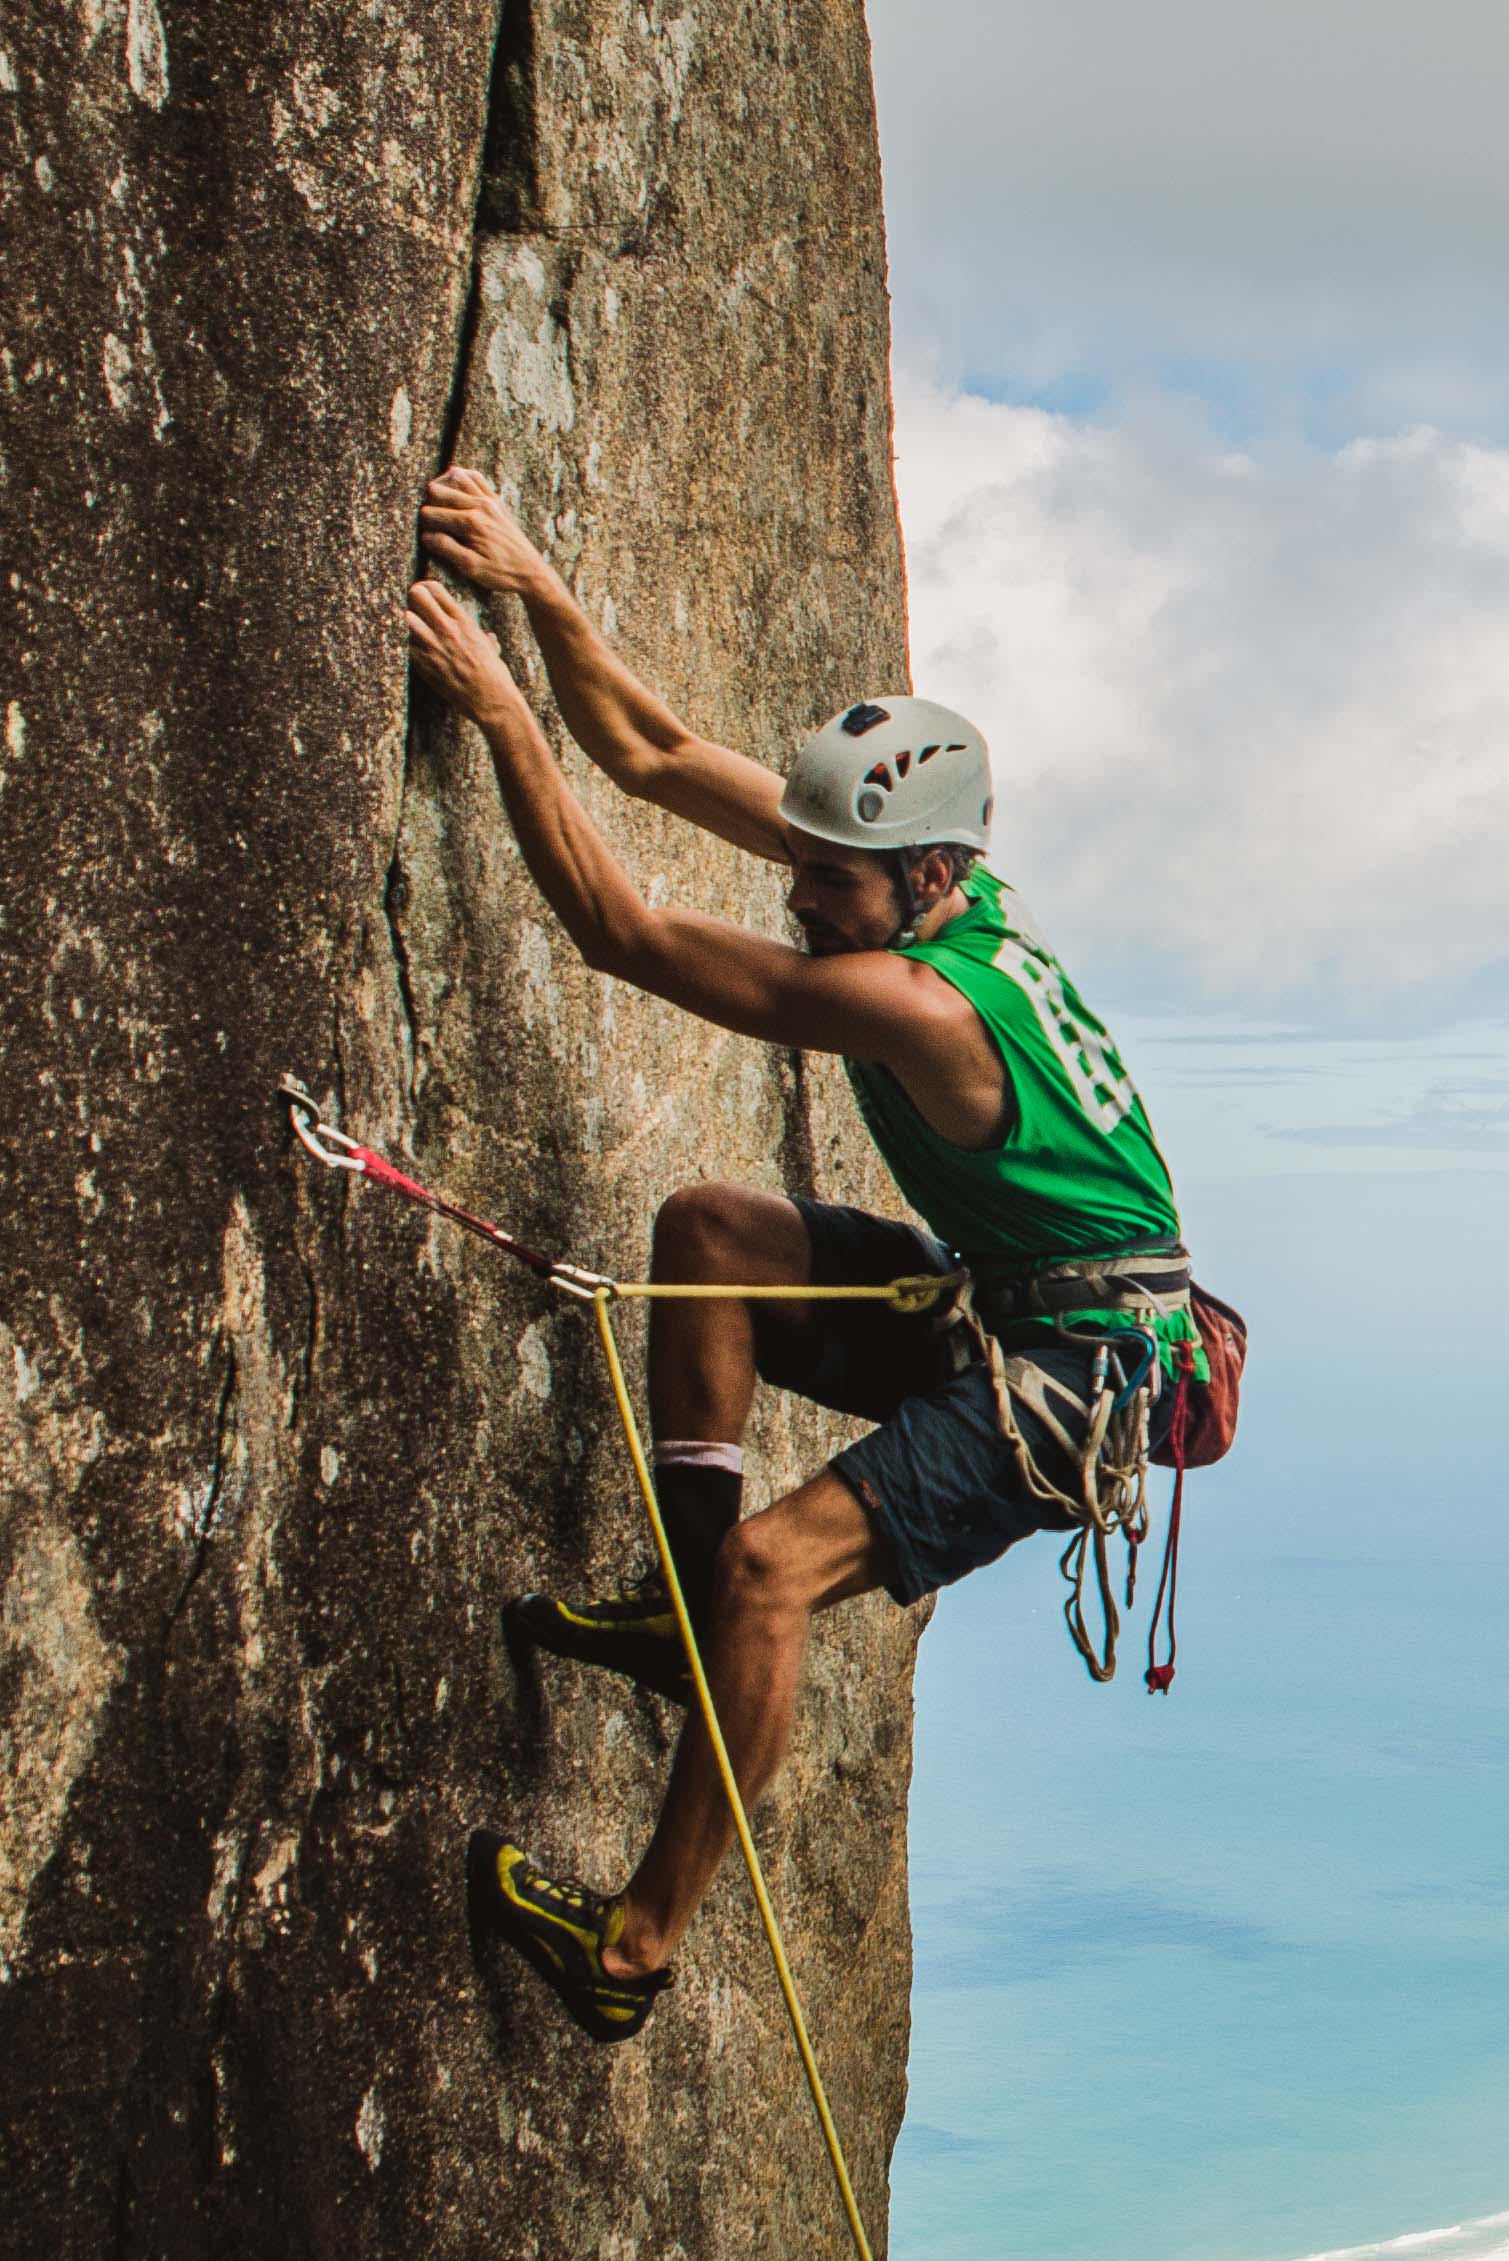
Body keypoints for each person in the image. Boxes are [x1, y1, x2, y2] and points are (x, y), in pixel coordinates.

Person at [401, 467, 1195, 2047]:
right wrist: (537, 586)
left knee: (782, 1573)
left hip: (1082, 1372)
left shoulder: (911, 996)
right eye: (810, 870)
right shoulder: (931, 891)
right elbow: (651, 754)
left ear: (926, 881)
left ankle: (630, 1949)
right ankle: (679, 1605)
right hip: (1018, 1306)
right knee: (711, 1234)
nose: (797, 892)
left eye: (825, 883)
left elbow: (624, 936)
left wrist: (498, 717)